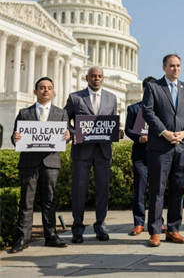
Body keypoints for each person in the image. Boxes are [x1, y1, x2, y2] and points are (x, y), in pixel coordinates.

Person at [8, 77, 71, 253]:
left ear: (53, 92)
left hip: (50, 163)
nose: (46, 91)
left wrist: (67, 137)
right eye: (42, 88)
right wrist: (15, 138)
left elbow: (63, 140)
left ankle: (51, 236)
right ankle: (22, 239)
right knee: (26, 202)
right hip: (29, 163)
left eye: (49, 88)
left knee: (49, 201)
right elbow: (15, 139)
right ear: (35, 91)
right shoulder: (24, 113)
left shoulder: (61, 114)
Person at [142, 54, 184, 247]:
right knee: (157, 189)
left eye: (178, 66)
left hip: (183, 146)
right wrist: (164, 132)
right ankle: (155, 232)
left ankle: (174, 230)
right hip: (160, 146)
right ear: (164, 67)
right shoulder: (153, 87)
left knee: (178, 189)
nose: (176, 69)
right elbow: (148, 111)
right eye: (172, 66)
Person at [65, 66, 120, 244]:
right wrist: (73, 132)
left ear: (103, 78)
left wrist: (116, 132)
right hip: (82, 151)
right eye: (93, 76)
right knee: (79, 190)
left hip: (103, 151)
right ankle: (77, 229)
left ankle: (101, 227)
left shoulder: (112, 98)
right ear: (87, 77)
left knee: (103, 190)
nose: (97, 78)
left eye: (100, 76)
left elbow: (111, 122)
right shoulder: (75, 98)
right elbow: (64, 120)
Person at [124, 76, 160, 236]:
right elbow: (128, 129)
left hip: (158, 154)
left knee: (157, 191)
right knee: (139, 190)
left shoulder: (161, 109)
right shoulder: (133, 109)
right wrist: (139, 138)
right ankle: (139, 223)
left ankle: (158, 223)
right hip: (140, 154)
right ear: (143, 89)